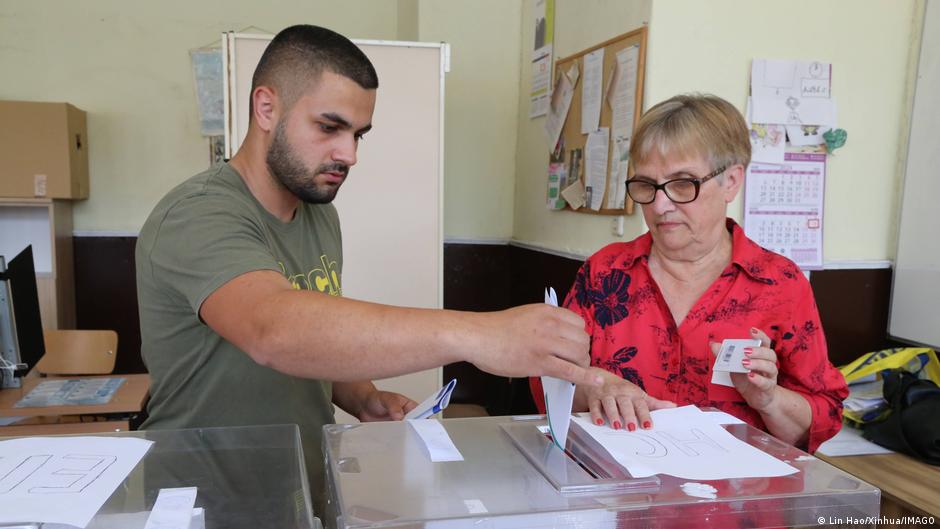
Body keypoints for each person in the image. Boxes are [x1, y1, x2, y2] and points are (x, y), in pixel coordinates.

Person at [136, 24, 599, 511]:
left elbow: (317, 336)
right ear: (266, 108)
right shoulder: (197, 214)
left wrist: (361, 397)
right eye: (329, 127)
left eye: (358, 134)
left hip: (299, 485)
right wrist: (479, 335)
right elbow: (274, 330)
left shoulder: (319, 213)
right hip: (201, 498)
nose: (349, 154)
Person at [531, 94, 847, 453]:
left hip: (734, 499)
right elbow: (548, 380)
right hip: (618, 489)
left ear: (731, 181)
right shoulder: (606, 273)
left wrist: (768, 398)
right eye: (647, 186)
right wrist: (598, 387)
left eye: (683, 184)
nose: (660, 205)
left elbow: (823, 416)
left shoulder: (778, 284)